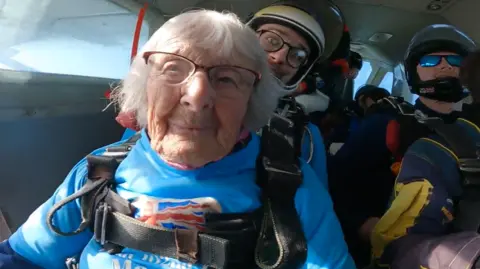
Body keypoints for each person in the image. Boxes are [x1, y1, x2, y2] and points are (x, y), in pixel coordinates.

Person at [0, 10, 355, 269]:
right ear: (143, 89)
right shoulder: (102, 169)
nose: (197, 96)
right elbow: (24, 257)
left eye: (228, 78)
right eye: (173, 69)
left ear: (252, 100)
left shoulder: (294, 184)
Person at [118, 1, 346, 189]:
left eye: (297, 55)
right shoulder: (168, 108)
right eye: (271, 40)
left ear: (302, 70)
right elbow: (123, 163)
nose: (278, 57)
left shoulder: (305, 136)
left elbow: (314, 210)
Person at [369, 24, 480, 269]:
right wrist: (363, 223)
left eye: (454, 60)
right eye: (431, 61)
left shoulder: (475, 127)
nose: (445, 66)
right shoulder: (385, 124)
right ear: (412, 72)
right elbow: (344, 185)